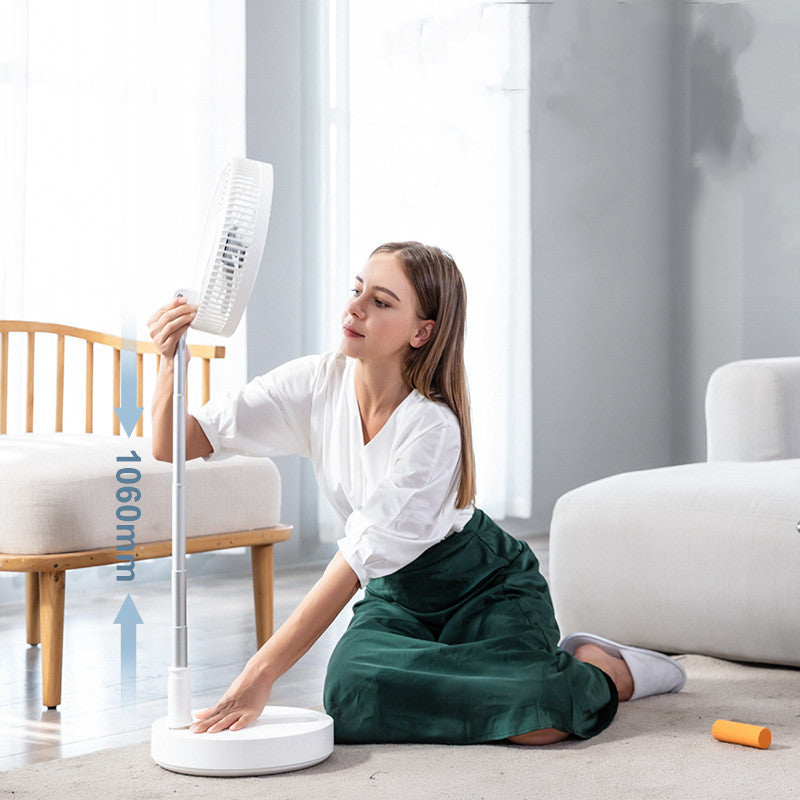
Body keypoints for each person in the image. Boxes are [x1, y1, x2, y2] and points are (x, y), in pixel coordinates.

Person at [146, 240, 686, 746]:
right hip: (397, 594)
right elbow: (175, 442)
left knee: (540, 717)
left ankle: (602, 665)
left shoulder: (433, 427)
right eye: (357, 289)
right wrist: (170, 362)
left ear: (421, 332)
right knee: (349, 695)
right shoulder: (315, 384)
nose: (354, 308)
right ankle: (497, 677)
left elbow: (351, 564)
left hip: (484, 586)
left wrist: (257, 674)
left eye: (380, 301)